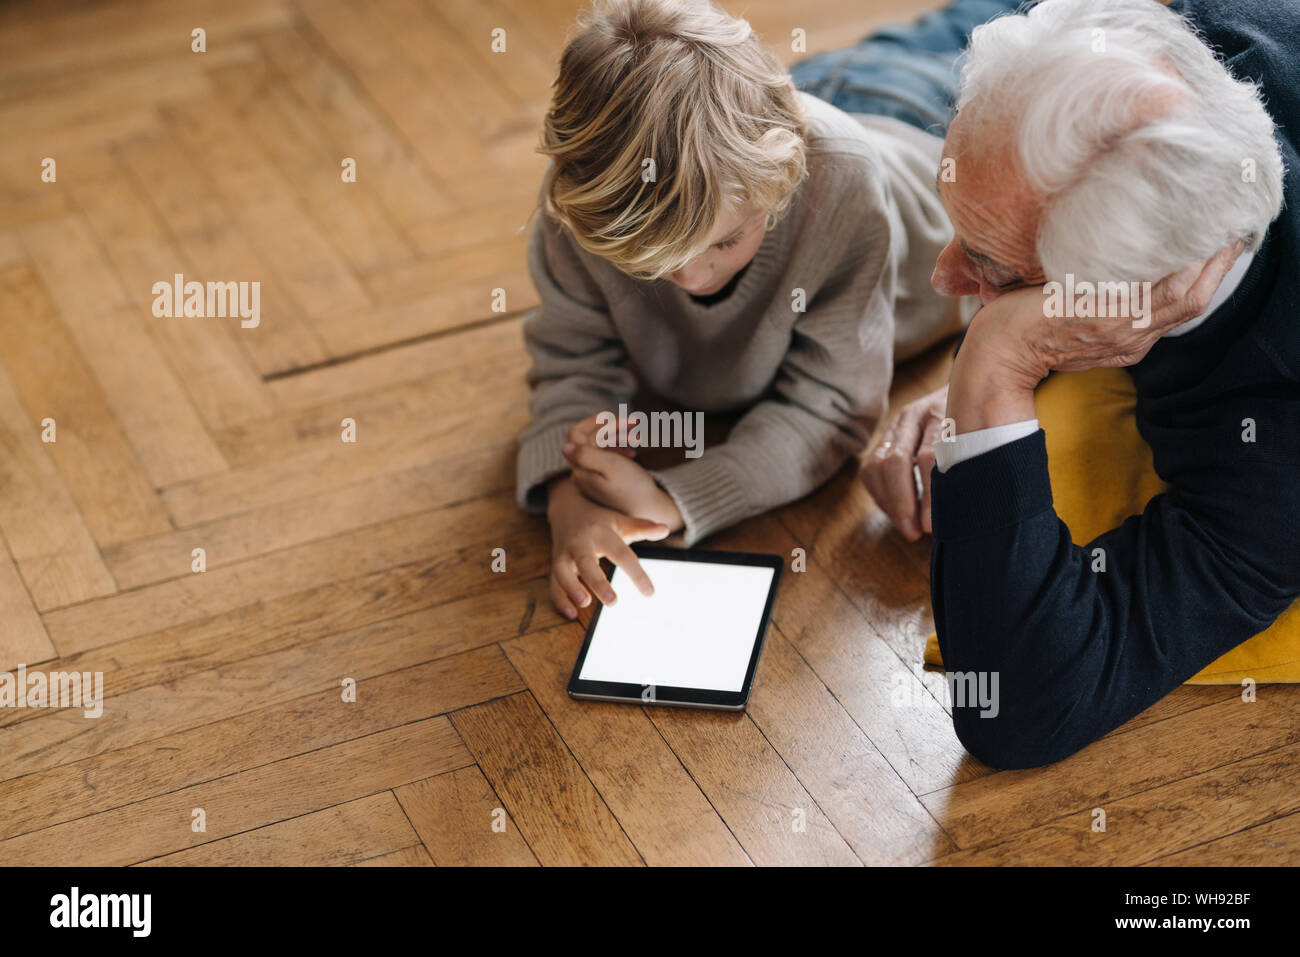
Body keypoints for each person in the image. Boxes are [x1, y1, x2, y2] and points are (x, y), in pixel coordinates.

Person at [859, 0, 1299, 768]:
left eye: (990, 270)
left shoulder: (1276, 456)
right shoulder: (1191, 37)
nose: (944, 276)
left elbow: (1019, 703)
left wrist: (994, 366)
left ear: (1124, 298)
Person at [517, 0, 1012, 619]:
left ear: (776, 187)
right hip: (795, 98)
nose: (693, 277)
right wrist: (569, 497)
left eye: (725, 242)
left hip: (923, 121)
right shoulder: (588, 199)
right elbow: (569, 359)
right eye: (654, 263)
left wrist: (672, 500)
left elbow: (831, 407)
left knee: (1014, 28)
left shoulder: (841, 184)